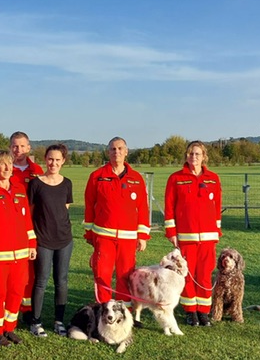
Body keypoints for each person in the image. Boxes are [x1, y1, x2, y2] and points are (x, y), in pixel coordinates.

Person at [83, 136, 150, 306]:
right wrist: (89, 234)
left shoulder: (136, 178)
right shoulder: (97, 176)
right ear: (108, 152)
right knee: (102, 274)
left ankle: (124, 311)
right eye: (113, 149)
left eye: (120, 149)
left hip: (128, 238)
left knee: (125, 275)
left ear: (126, 152)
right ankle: (103, 309)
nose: (116, 152)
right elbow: (89, 206)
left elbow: (143, 208)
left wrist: (142, 236)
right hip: (104, 236)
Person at [164, 140, 222, 327]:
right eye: (190, 153)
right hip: (186, 237)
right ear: (186, 156)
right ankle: (190, 311)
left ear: (204, 156)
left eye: (197, 154)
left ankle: (203, 311)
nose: (193, 157)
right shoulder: (176, 178)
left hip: (208, 237)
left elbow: (217, 207)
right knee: (187, 275)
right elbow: (169, 207)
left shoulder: (213, 178)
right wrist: (171, 231)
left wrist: (216, 231)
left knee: (204, 274)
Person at [0, 149, 36, 346]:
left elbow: (26, 219)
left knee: (16, 292)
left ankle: (9, 327)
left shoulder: (19, 188)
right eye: (2, 164)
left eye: (10, 164)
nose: (7, 168)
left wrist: (32, 243)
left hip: (20, 253)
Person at [27, 143, 74, 337]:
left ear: (63, 161)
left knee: (61, 281)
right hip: (43, 240)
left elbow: (65, 208)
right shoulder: (35, 184)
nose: (53, 163)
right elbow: (30, 213)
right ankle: (36, 322)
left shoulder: (67, 183)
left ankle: (58, 321)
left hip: (64, 239)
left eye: (57, 160)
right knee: (41, 281)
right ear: (45, 160)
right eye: (50, 159)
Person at [9, 131, 44, 325]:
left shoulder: (36, 170)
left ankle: (28, 309)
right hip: (10, 227)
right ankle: (8, 307)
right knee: (11, 270)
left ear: (29, 148)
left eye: (22, 146)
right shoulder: (3, 168)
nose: (19, 150)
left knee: (30, 270)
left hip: (33, 226)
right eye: (15, 146)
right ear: (10, 148)